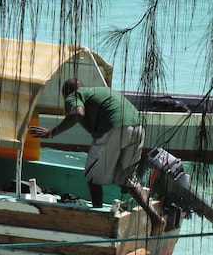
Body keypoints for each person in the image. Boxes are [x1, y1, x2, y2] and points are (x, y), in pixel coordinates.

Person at [29, 78, 166, 235]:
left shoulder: (74, 96)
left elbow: (77, 113)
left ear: (66, 92)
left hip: (113, 127)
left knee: (91, 176)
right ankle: (156, 219)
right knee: (128, 179)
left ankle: (98, 216)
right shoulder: (101, 91)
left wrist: (51, 133)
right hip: (138, 128)